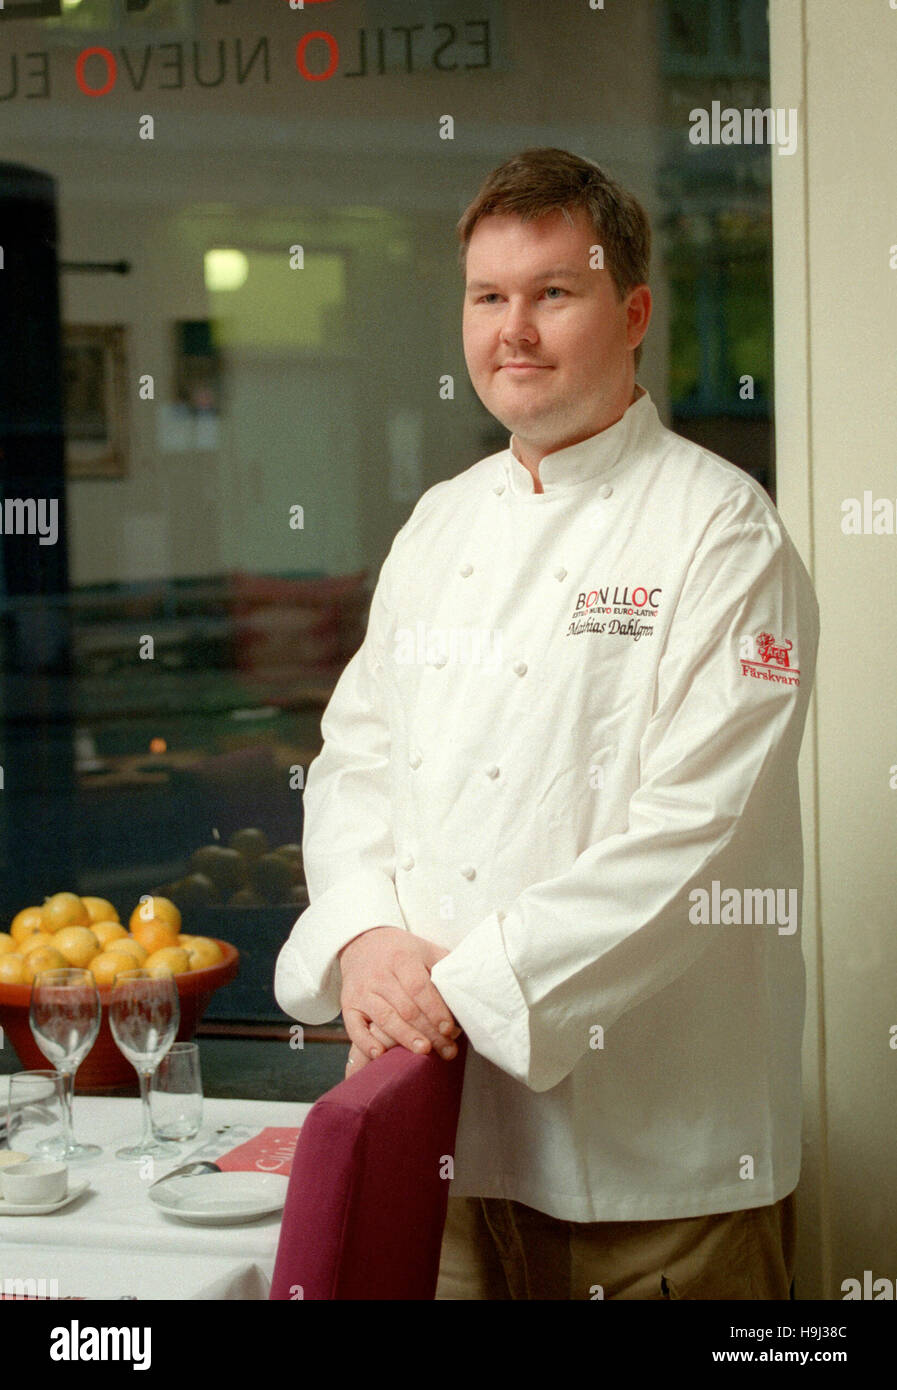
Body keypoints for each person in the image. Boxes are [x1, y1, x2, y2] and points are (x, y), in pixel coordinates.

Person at [274, 147, 818, 1300]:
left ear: (633, 313)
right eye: (488, 297)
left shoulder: (722, 532)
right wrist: (368, 939)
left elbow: (696, 838)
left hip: (661, 1171)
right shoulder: (440, 522)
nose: (513, 330)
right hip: (446, 1140)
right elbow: (358, 760)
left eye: (552, 294)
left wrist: (452, 994)